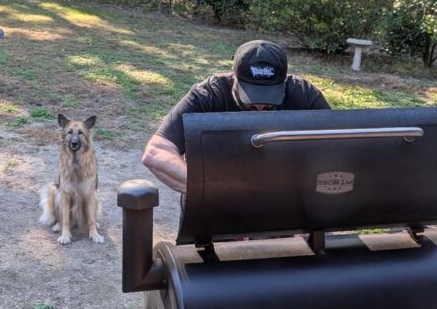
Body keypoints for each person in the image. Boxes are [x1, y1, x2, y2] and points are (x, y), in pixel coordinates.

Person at [141, 39, 330, 193]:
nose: (260, 105)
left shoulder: (303, 94)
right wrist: (212, 190)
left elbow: (339, 148)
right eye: (252, 97)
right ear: (235, 79)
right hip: (217, 206)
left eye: (269, 98)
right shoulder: (209, 94)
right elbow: (156, 152)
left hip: (287, 202)